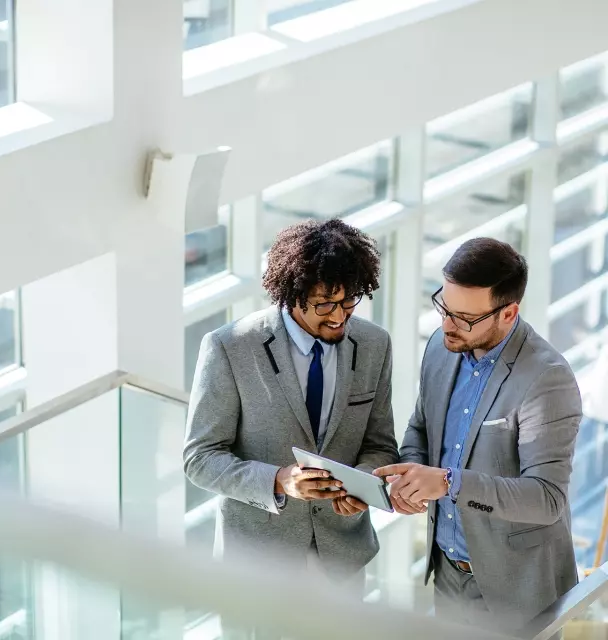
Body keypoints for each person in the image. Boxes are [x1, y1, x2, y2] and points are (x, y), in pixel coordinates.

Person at [374, 237, 582, 633]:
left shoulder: (546, 379)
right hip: (448, 575)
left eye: (465, 318)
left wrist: (448, 483)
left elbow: (546, 498)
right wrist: (413, 476)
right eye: (444, 308)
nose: (447, 325)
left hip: (517, 589)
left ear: (509, 313)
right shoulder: (440, 345)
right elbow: (422, 425)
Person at [184, 218, 399, 591]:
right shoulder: (230, 347)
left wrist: (361, 486)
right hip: (256, 569)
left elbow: (380, 445)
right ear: (291, 295)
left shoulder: (374, 345)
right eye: (324, 304)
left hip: (341, 560)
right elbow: (200, 458)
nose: (338, 315)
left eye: (349, 300)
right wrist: (279, 481)